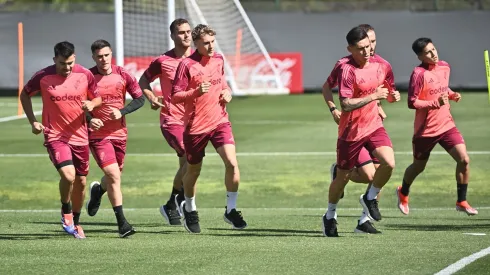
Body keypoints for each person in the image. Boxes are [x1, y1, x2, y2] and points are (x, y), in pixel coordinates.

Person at [321, 26, 400, 237]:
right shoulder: (345, 68)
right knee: (346, 177)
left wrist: (389, 99)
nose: (368, 50)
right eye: (362, 47)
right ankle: (330, 216)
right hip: (351, 131)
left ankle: (367, 207)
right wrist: (333, 108)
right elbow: (345, 103)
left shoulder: (383, 65)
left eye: (371, 44)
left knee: (388, 164)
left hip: (374, 126)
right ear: (350, 48)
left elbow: (388, 92)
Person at [19, 41, 101, 239]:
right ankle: (66, 210)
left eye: (71, 63)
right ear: (55, 59)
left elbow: (98, 98)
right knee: (69, 175)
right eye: (63, 63)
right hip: (55, 135)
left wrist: (91, 104)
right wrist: (33, 122)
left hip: (80, 136)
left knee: (81, 181)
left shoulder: (85, 74)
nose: (67, 67)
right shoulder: (43, 76)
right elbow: (25, 94)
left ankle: (76, 222)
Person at [171, 24, 246, 234]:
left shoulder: (219, 59)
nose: (211, 46)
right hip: (196, 127)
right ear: (196, 44)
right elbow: (175, 96)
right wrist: (195, 92)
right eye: (206, 43)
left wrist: (227, 92)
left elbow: (222, 83)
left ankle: (231, 209)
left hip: (220, 121)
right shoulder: (186, 65)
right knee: (193, 171)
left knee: (232, 163)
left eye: (213, 41)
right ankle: (190, 207)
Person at [396, 37, 478, 216]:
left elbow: (443, 88)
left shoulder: (445, 66)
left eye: (433, 49)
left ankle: (461, 200)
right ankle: (403, 192)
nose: (433, 54)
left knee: (463, 159)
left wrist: (452, 94)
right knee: (418, 167)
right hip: (425, 131)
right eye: (428, 52)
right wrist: (435, 102)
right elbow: (412, 102)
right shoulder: (418, 74)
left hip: (447, 125)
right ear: (420, 57)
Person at [84, 39, 145, 238]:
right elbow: (78, 105)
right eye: (99, 56)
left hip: (119, 134)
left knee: (114, 174)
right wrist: (91, 119)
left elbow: (140, 99)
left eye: (106, 55)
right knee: (114, 175)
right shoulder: (87, 77)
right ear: (93, 57)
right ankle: (122, 223)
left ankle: (97, 191)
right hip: (98, 136)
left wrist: (122, 111)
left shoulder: (123, 74)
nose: (103, 59)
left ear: (112, 54)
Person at [138, 18, 192, 226]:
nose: (186, 35)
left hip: (194, 120)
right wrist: (151, 97)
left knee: (187, 165)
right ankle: (178, 203)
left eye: (188, 31)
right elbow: (143, 80)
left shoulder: (199, 60)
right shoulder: (163, 61)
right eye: (181, 32)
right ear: (172, 36)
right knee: (190, 158)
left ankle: (173, 204)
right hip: (171, 119)